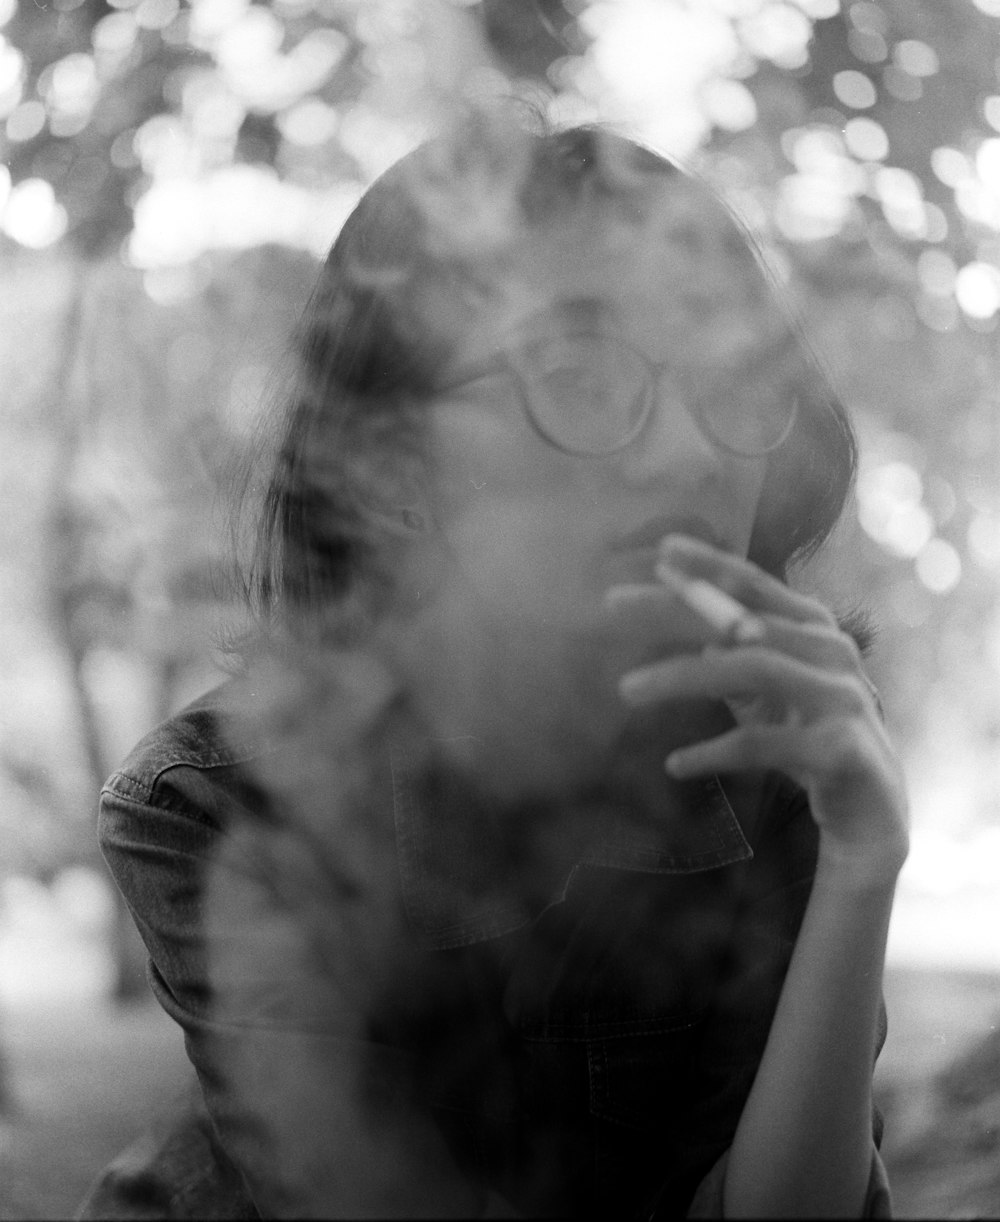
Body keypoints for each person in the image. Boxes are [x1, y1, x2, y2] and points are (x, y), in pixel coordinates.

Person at [81, 112, 909, 1219]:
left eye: (732, 381)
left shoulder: (778, 768)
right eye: (579, 375)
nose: (692, 449)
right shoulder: (220, 804)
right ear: (385, 463)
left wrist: (861, 860)